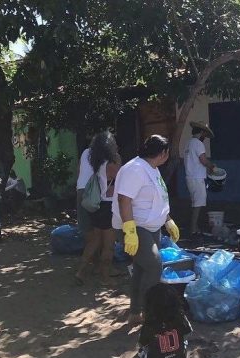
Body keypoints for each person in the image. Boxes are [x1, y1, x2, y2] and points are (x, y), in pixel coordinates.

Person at [112, 135, 181, 326]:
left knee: (142, 270)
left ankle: (135, 313)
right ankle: (150, 311)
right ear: (164, 153)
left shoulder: (152, 169)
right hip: (135, 226)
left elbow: (158, 198)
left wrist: (168, 220)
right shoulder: (135, 169)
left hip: (151, 227)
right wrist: (130, 230)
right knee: (154, 265)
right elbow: (124, 199)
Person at [75, 132, 121, 286]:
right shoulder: (112, 162)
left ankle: (81, 271)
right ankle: (105, 277)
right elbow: (121, 178)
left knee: (94, 241)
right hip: (108, 206)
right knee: (108, 245)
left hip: (97, 206)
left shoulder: (95, 160)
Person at [138, 283, 192, 358]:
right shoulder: (181, 318)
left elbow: (142, 343)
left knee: (142, 348)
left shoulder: (149, 324)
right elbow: (188, 333)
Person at [183, 121, 216, 236]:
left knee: (195, 202)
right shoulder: (198, 144)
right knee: (198, 204)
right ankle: (193, 228)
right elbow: (203, 160)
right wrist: (212, 166)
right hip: (197, 178)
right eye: (205, 135)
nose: (205, 138)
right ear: (201, 132)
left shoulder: (188, 143)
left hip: (190, 177)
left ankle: (195, 227)